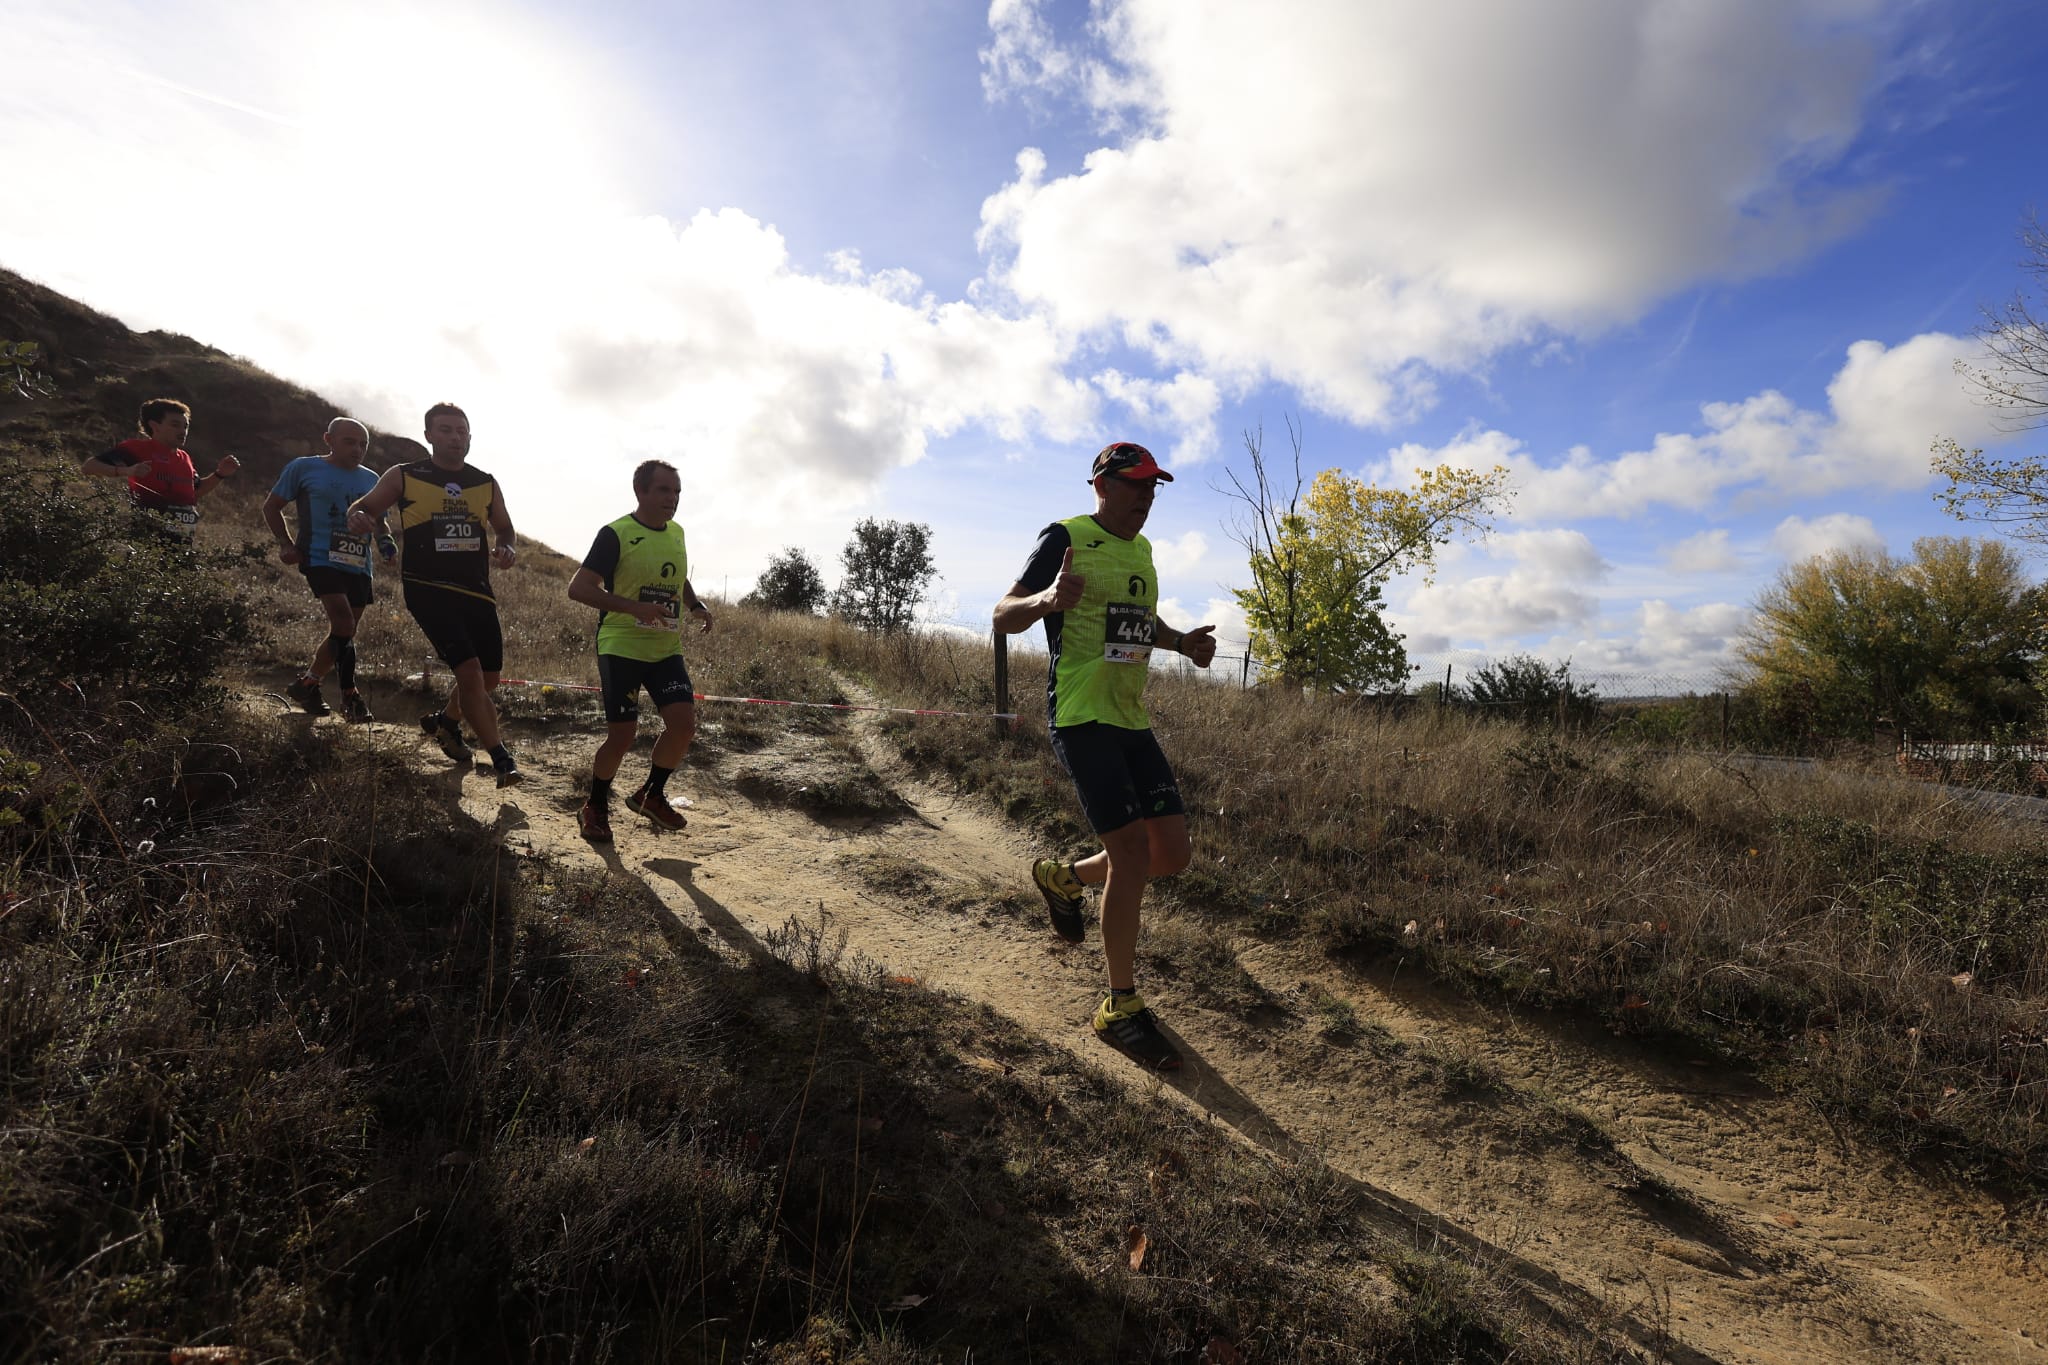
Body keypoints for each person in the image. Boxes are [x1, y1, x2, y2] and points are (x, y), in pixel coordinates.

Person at [993, 441, 1218, 1072]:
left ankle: (1063, 878)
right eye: (1137, 485)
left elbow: (1137, 624)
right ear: (1102, 484)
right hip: (1081, 714)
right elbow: (1002, 614)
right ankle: (1119, 1006)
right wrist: (1046, 603)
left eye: (1154, 488)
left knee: (1171, 854)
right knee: (1132, 855)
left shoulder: (1142, 551)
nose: (1148, 498)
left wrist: (1182, 645)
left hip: (1130, 716)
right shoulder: (1064, 536)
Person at [346, 402, 522, 786]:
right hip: (428, 589)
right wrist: (358, 517)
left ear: (470, 437)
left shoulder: (484, 481)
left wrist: (507, 548)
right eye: (445, 430)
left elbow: (505, 529)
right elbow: (365, 508)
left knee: (488, 678)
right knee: (471, 673)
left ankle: (447, 722)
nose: (455, 437)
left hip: (477, 590)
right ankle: (501, 758)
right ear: (428, 435)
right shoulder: (406, 475)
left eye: (461, 431)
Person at [565, 459, 711, 842]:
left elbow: (676, 576)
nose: (672, 498)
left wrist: (695, 605)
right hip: (622, 647)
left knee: (683, 726)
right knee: (623, 736)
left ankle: (651, 793)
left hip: (665, 649)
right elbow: (578, 589)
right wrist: (634, 608)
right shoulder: (616, 533)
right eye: (664, 490)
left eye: (677, 491)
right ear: (640, 491)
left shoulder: (676, 532)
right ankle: (594, 806)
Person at [263, 417, 397, 722]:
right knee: (343, 621)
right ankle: (350, 697)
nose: (357, 449)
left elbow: (380, 520)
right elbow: (271, 506)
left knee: (344, 631)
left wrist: (387, 543)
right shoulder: (304, 468)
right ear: (329, 439)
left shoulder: (371, 478)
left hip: (359, 562)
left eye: (363, 444)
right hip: (319, 555)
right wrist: (285, 544)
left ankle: (308, 684)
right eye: (349, 441)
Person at [79, 398, 240, 541]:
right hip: (147, 542)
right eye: (175, 425)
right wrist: (126, 471)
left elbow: (195, 492)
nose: (182, 431)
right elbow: (89, 467)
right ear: (155, 426)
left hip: (182, 544)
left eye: (185, 426)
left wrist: (220, 474)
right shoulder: (137, 449)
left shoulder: (185, 458)